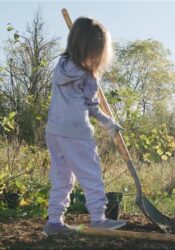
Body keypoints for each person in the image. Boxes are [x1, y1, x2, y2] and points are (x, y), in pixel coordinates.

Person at [43, 17, 126, 235]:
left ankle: (54, 222)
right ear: (95, 50)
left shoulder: (60, 66)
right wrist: (110, 124)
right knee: (91, 174)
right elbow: (93, 109)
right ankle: (98, 218)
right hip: (77, 132)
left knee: (61, 177)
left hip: (54, 130)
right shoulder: (89, 77)